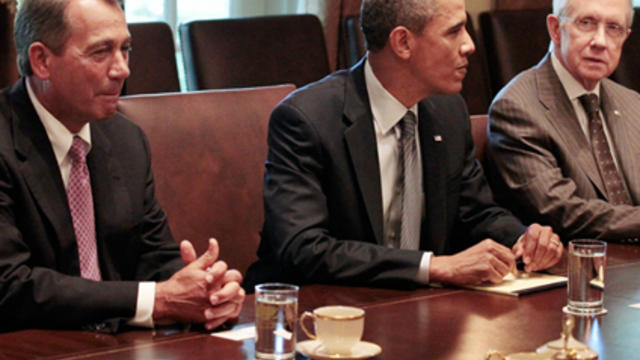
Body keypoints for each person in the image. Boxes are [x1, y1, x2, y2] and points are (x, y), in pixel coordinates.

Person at [244, 0, 563, 291]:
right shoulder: (307, 119)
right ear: (403, 42)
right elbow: (304, 248)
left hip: (417, 309)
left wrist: (524, 238)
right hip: (317, 314)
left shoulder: (447, 111)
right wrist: (434, 267)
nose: (469, 45)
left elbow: (475, 212)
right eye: (454, 31)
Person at [0, 0, 244, 332]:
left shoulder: (126, 139)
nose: (122, 69)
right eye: (100, 52)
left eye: (125, 49)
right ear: (42, 61)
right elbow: (11, 286)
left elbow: (154, 255)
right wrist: (157, 301)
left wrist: (206, 290)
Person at [487, 0, 640, 242]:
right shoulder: (517, 107)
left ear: (625, 37)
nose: (600, 41)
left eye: (613, 28)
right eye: (586, 23)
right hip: (575, 266)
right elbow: (562, 213)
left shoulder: (633, 104)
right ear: (555, 29)